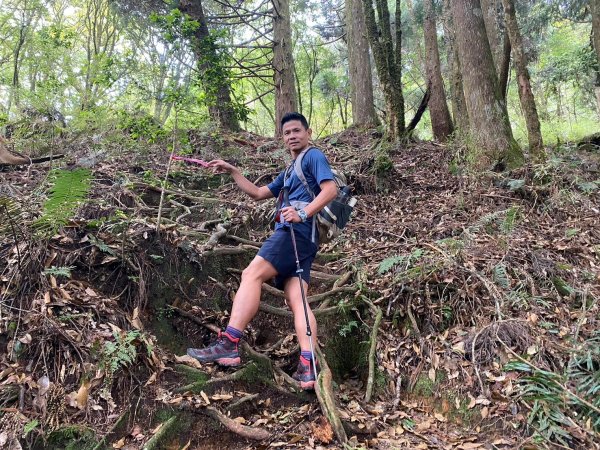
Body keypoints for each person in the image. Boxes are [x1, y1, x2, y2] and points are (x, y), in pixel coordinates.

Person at [186, 112, 337, 390]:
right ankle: (308, 364)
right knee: (297, 299)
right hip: (305, 242)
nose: (292, 136)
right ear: (283, 138)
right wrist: (232, 170)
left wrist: (302, 212)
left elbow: (330, 189)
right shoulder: (291, 170)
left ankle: (229, 344)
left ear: (308, 132)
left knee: (251, 274)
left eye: (296, 131)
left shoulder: (313, 157)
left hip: (295, 232)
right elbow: (257, 193)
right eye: (287, 133)